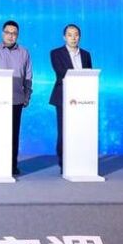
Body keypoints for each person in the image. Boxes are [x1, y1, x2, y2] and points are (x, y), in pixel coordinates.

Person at [0, 20, 33, 175]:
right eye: (7, 33)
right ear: (2, 33)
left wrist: (27, 96)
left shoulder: (24, 52)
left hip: (16, 99)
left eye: (14, 33)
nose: (10, 36)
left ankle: (12, 165)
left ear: (17, 35)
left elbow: (28, 76)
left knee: (13, 134)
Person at [49, 23, 92, 171]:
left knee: (80, 131)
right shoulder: (56, 53)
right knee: (64, 131)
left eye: (76, 35)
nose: (73, 38)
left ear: (80, 37)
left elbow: (90, 75)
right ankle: (64, 163)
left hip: (83, 99)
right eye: (69, 35)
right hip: (63, 97)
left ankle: (80, 160)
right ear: (64, 37)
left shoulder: (86, 54)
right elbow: (61, 73)